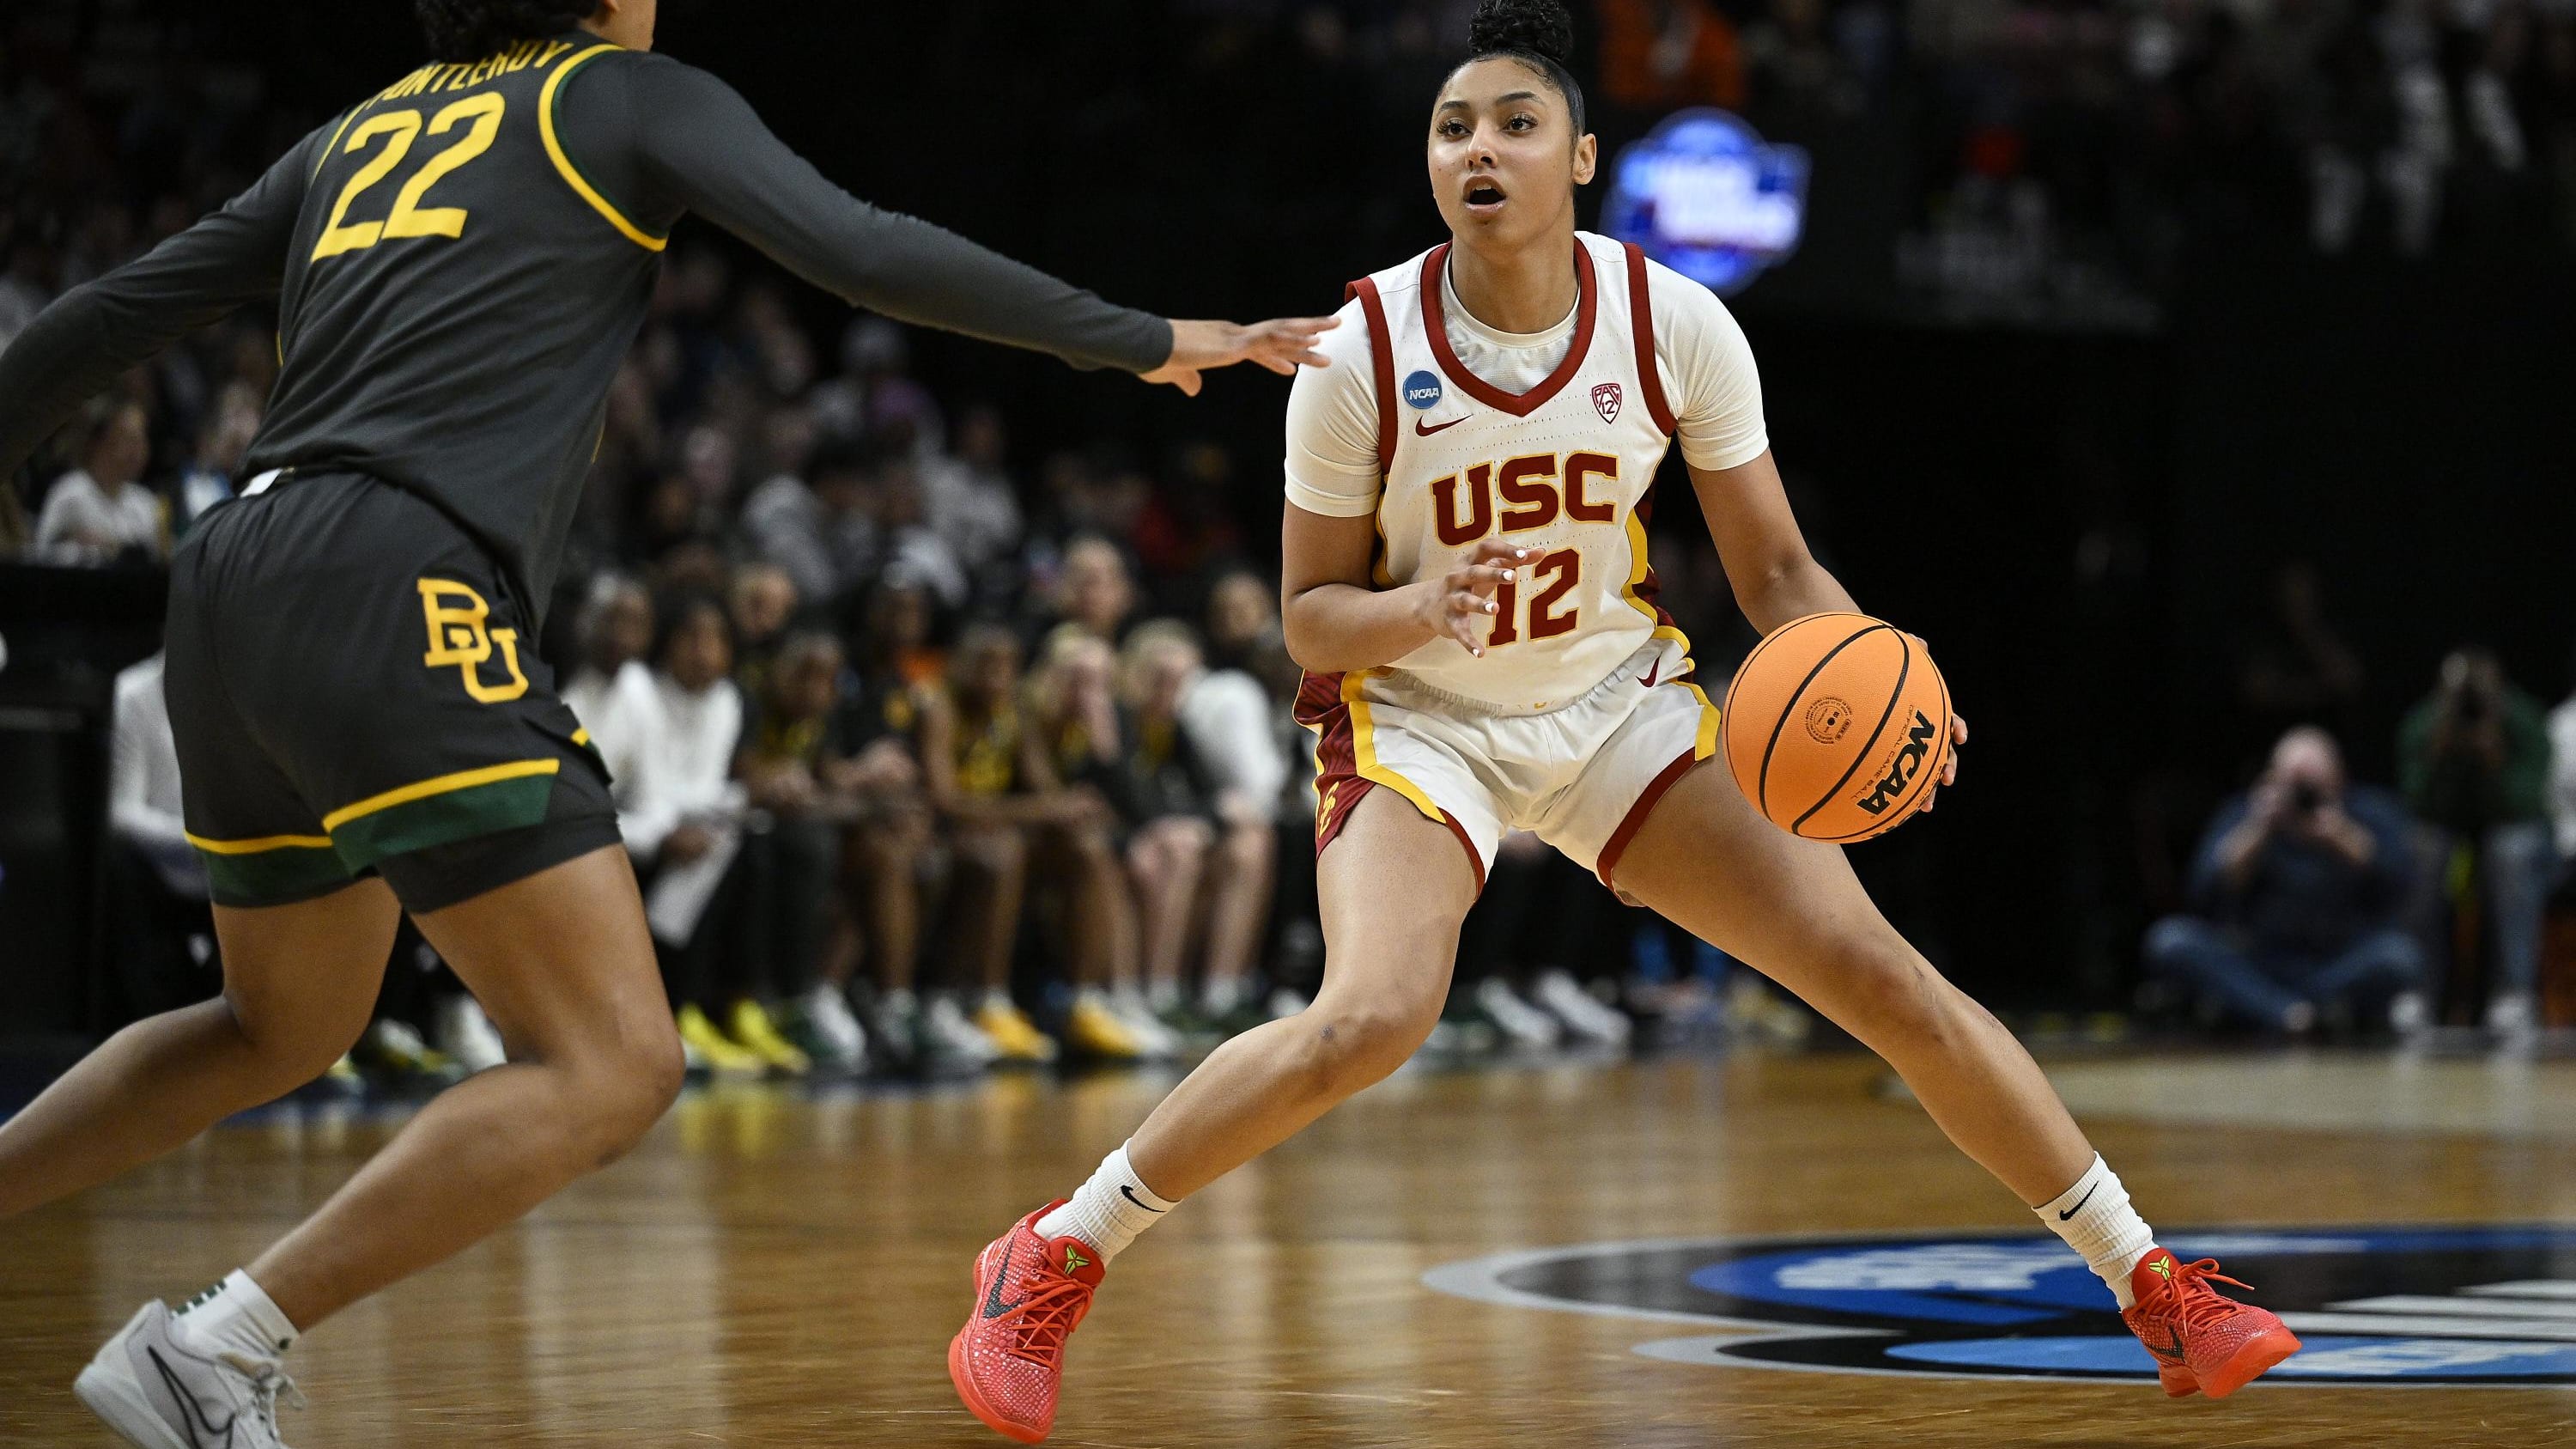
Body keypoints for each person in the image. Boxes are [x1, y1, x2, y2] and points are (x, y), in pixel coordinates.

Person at [947, 5, 2300, 1440]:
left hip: (1610, 705)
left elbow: (1774, 571)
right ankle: (1054, 1253)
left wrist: (1877, 664)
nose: (1481, 147)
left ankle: (2155, 1286)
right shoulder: (1359, 352)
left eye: (1515, 123)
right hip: (1419, 720)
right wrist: (1419, 612)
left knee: (1884, 979)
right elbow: (1308, 618)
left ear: (1581, 156)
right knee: (1371, 1017)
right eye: (1454, 126)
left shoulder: (1676, 324)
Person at [0, 0, 1334, 1439]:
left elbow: (110, 310)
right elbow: (866, 247)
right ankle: (217, 1347)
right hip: (395, 571)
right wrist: (1146, 339)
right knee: (612, 1060)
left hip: (230, 576)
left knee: (276, 1023)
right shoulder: (623, 97)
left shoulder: (360, 128)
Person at [2143, 728, 2424, 1036]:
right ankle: (2293, 1015)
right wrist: (2259, 829)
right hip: (2258, 963)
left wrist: (2343, 838)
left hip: (2337, 961)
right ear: (2272, 779)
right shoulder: (2247, 813)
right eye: (2293, 784)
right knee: (2170, 940)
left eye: (2312, 785)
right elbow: (2202, 893)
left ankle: (2276, 1011)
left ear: (2339, 778)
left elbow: (2404, 887)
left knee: (2399, 956)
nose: (2303, 796)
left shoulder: (2367, 812)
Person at [2398, 648, 2555, 1037]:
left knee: (2511, 852)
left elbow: (2528, 803)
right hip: (2446, 832)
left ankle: (2513, 994)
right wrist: (2440, 747)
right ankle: (2418, 991)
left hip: (2507, 830)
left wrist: (2494, 755)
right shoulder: (2426, 722)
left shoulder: (2520, 720)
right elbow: (2415, 800)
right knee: (2422, 849)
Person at [34, 397, 165, 564]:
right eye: (130, 440)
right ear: (100, 442)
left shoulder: (145, 503)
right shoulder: (69, 494)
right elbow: (40, 555)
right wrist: (78, 548)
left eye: (142, 440)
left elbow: (157, 564)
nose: (140, 450)